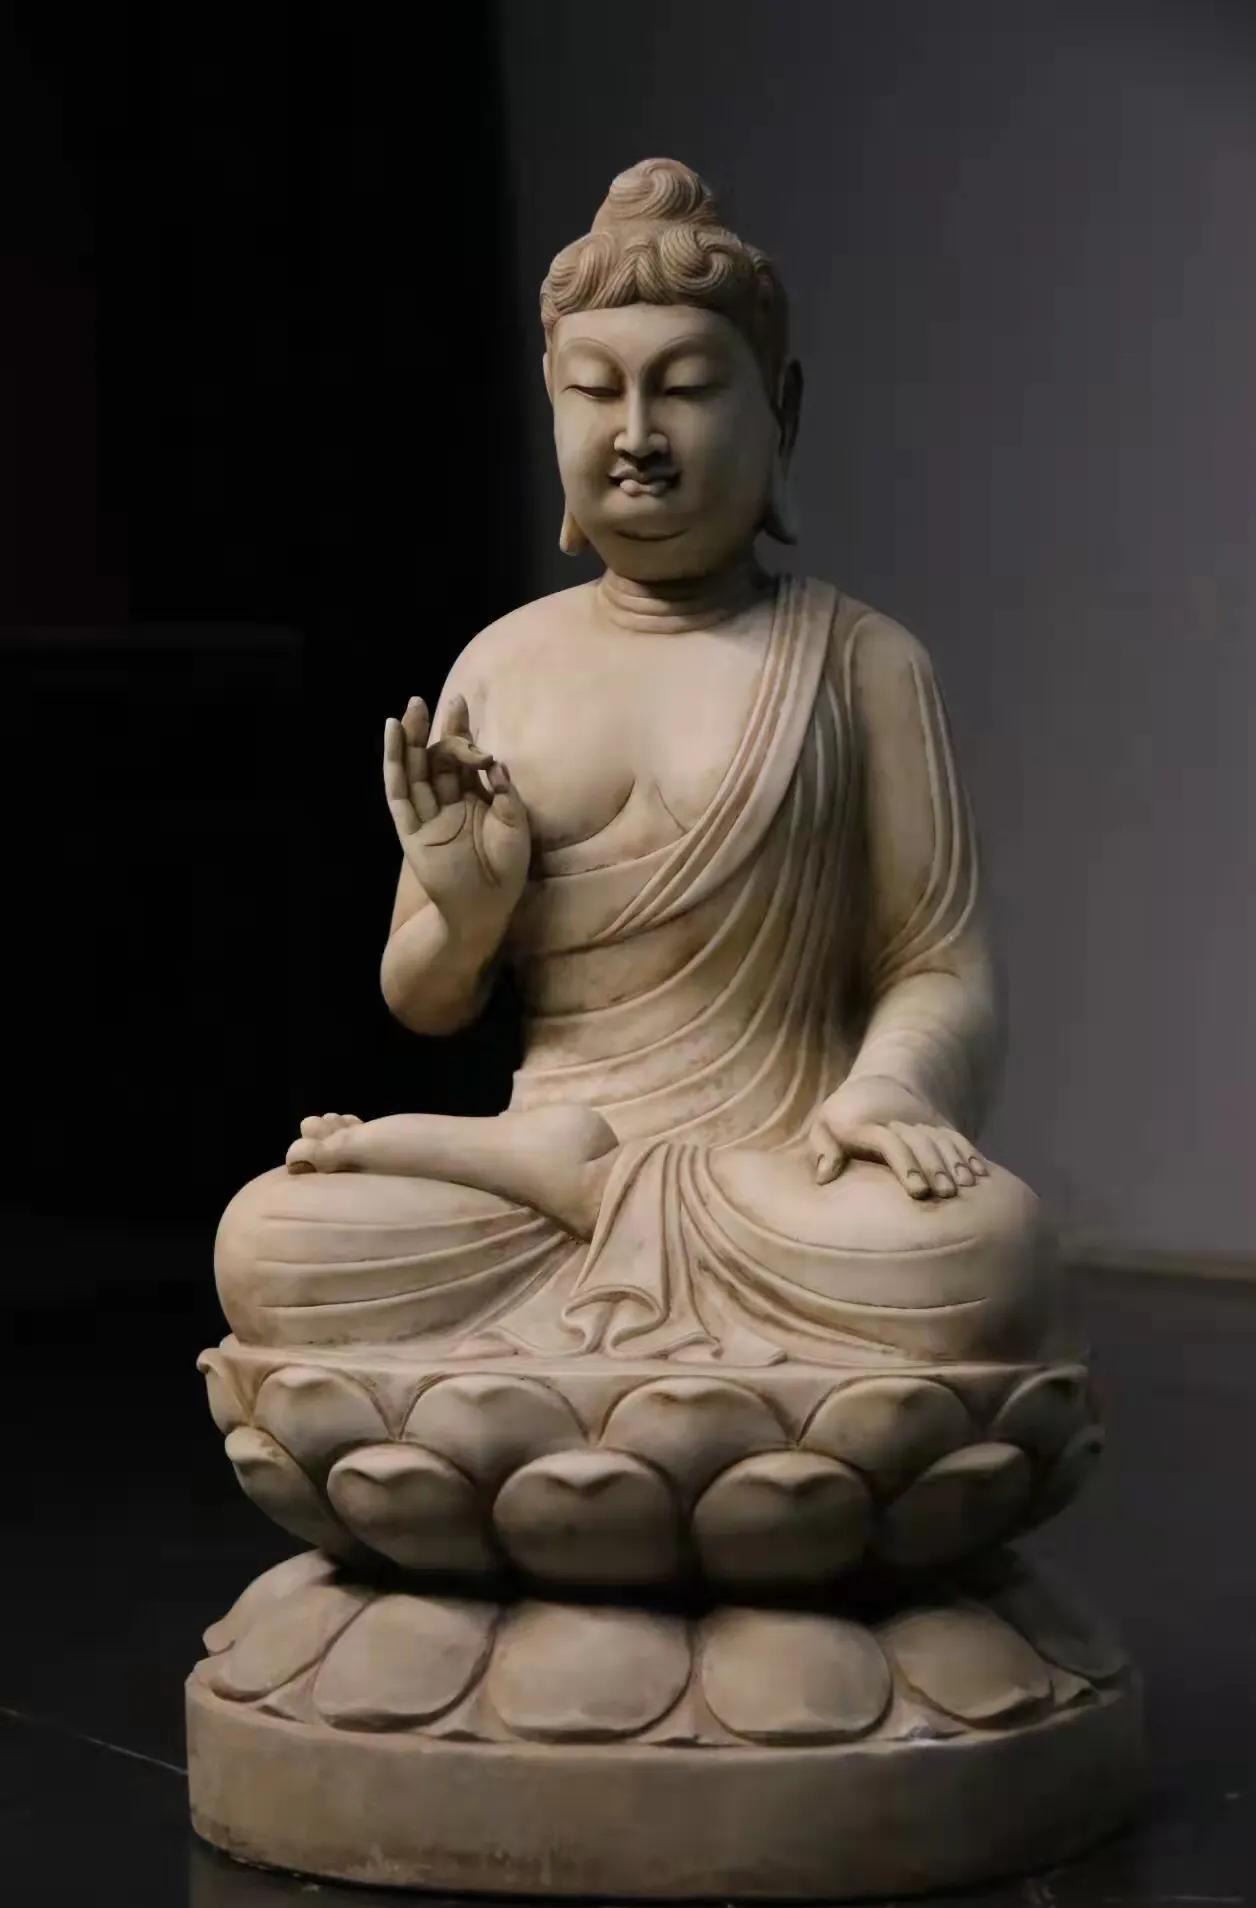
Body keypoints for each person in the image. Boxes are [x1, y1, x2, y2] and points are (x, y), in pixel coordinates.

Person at [215, 159, 1053, 1366]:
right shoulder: (501, 662)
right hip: (541, 1169)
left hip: (780, 1173)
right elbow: (423, 996)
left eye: (689, 389)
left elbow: (938, 966)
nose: (638, 438)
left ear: (780, 414)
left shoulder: (862, 662)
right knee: (271, 1241)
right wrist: (468, 914)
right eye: (594, 392)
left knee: (983, 1255)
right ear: (549, 405)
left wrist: (885, 1094)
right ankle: (561, 1204)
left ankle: (575, 1248)